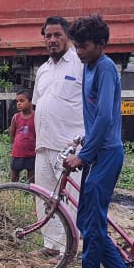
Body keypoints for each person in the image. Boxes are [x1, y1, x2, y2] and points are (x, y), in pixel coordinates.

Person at [59, 15, 134, 268]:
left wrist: (84, 154)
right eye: (76, 45)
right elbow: (95, 117)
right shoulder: (89, 67)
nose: (78, 51)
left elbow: (107, 116)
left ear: (101, 45)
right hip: (97, 151)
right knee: (87, 224)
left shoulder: (105, 69)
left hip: (106, 155)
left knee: (92, 228)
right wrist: (84, 140)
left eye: (84, 46)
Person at [31, 16, 85, 254]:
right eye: (48, 36)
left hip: (69, 147)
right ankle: (51, 245)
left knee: (71, 201)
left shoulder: (80, 65)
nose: (52, 40)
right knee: (45, 197)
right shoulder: (43, 70)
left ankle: (68, 250)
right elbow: (36, 105)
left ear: (68, 37)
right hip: (43, 145)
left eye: (57, 35)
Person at [8, 88, 36, 182]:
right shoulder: (16, 118)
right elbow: (12, 135)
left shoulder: (36, 117)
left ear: (31, 102)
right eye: (17, 101)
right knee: (14, 178)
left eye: (22, 101)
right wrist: (14, 148)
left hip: (32, 154)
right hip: (17, 153)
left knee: (32, 180)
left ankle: (33, 196)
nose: (18, 103)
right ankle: (13, 195)